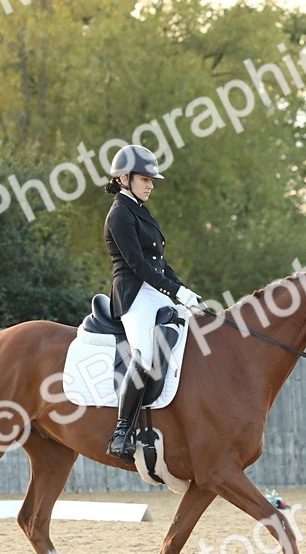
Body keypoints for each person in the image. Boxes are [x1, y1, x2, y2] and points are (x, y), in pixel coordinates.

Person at [102, 144, 203, 462]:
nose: (150, 184)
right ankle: (121, 432)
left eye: (151, 179)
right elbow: (138, 265)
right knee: (146, 355)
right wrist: (174, 291)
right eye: (144, 178)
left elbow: (159, 263)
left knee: (187, 332)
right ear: (123, 179)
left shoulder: (141, 212)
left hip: (153, 289)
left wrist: (185, 292)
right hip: (133, 295)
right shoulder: (119, 215)